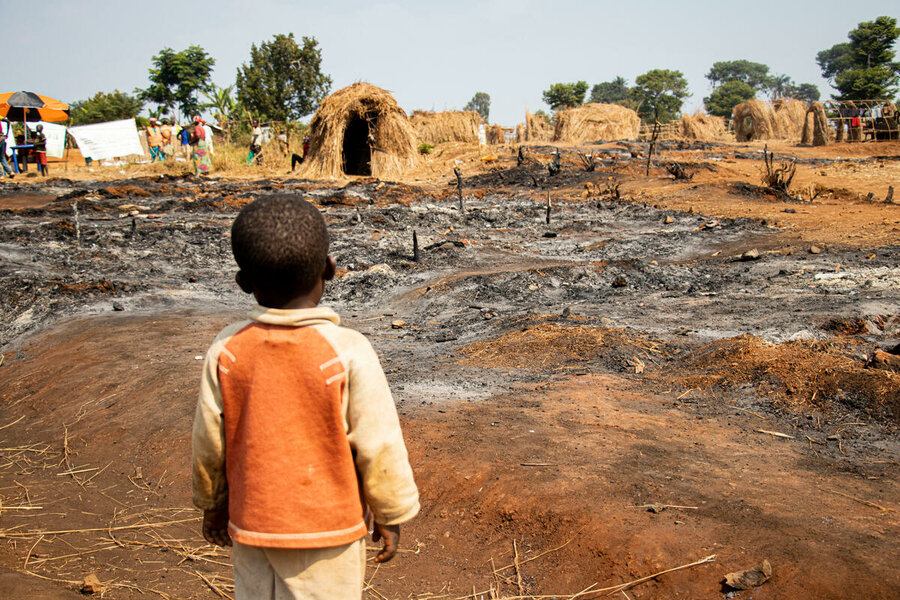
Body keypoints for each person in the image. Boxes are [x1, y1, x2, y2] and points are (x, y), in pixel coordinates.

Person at [192, 195, 419, 599]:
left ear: (244, 283)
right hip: (329, 532)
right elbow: (379, 443)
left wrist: (213, 503)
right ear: (329, 270)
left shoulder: (227, 350)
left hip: (252, 526)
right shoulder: (348, 350)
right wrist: (390, 512)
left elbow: (210, 444)